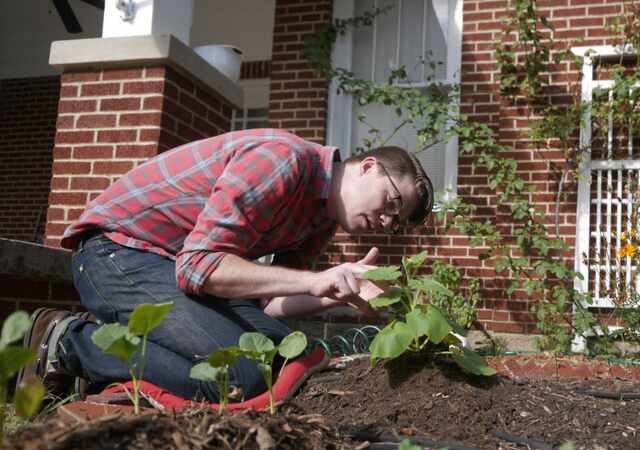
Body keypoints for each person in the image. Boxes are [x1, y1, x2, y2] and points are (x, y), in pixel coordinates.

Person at [18, 129, 433, 402]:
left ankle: (114, 358)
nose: (385, 221)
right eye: (392, 203)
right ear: (368, 167)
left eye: (394, 222)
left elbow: (268, 303)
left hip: (171, 271)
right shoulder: (283, 160)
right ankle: (71, 342)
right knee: (240, 375)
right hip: (117, 253)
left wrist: (336, 293)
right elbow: (198, 267)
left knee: (279, 357)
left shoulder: (320, 220)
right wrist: (313, 280)